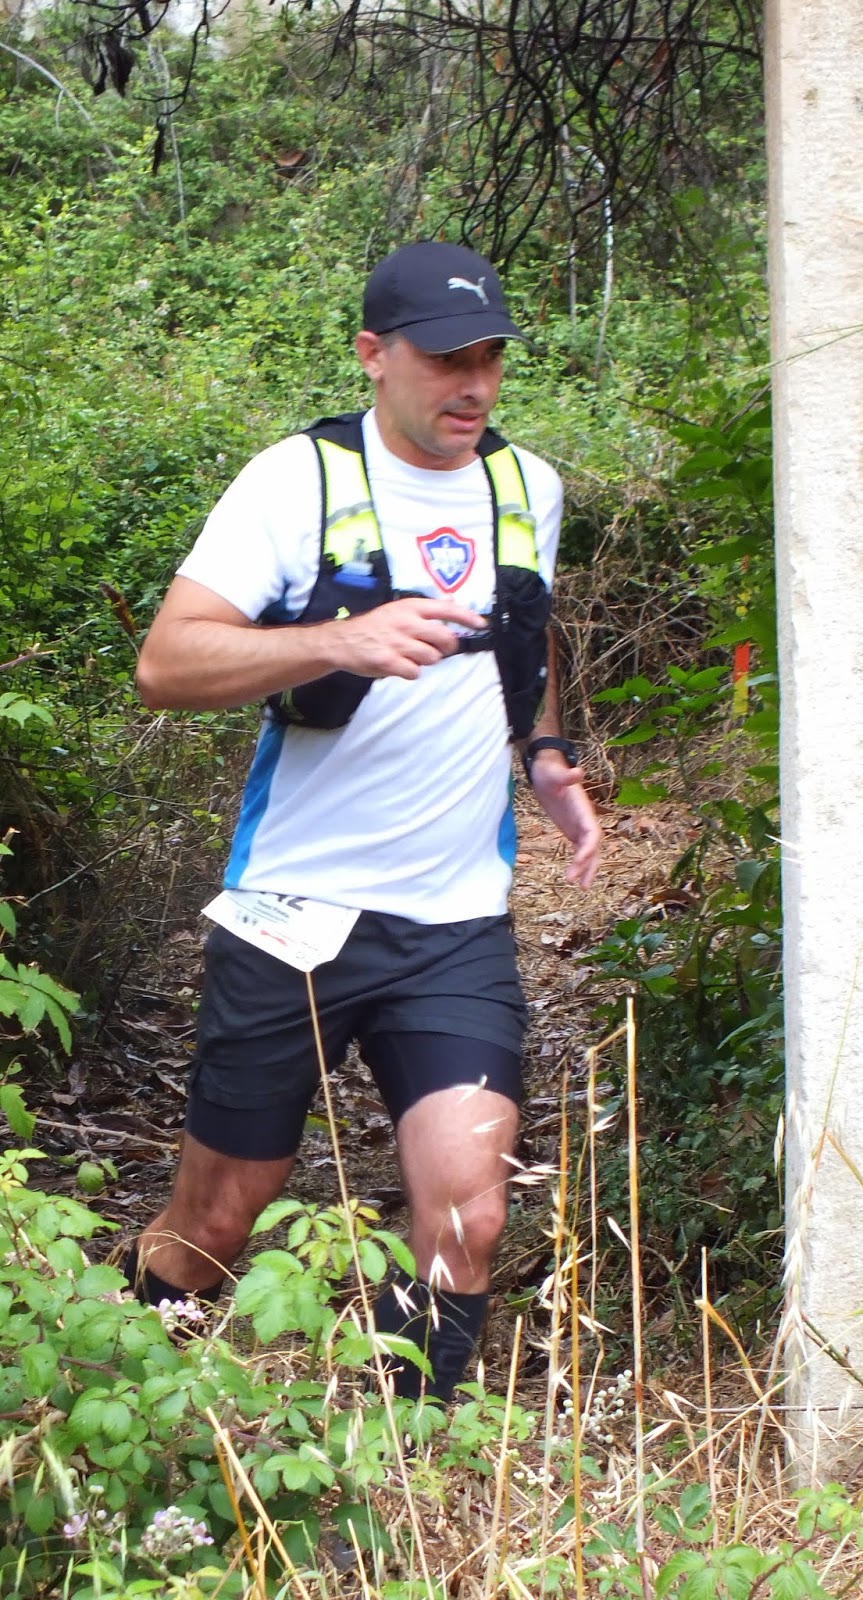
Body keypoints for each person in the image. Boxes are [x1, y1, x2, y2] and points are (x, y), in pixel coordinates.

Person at [128, 240, 601, 1401]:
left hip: (452, 920)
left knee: (467, 1214)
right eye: (445, 358)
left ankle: (407, 1460)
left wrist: (542, 752)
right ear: (372, 355)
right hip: (293, 910)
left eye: (489, 357)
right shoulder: (292, 483)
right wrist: (336, 640)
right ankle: (118, 1411)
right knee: (215, 1221)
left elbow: (522, 628)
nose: (472, 384)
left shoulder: (524, 486)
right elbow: (166, 665)